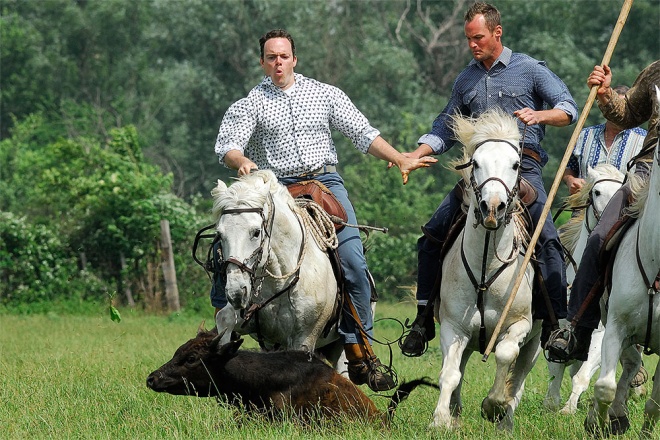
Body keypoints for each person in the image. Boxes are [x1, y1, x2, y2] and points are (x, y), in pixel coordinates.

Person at [211, 29, 437, 391]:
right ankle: (221, 326)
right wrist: (242, 162)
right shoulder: (250, 102)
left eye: (284, 56)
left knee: (354, 260)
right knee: (229, 243)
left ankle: (361, 349)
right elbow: (228, 146)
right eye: (271, 57)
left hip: (325, 185)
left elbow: (363, 134)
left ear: (295, 59)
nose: (278, 62)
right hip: (276, 188)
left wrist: (399, 159)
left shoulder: (324, 93)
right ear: (262, 62)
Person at [399, 2, 578, 357]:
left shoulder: (529, 69)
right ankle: (422, 320)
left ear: (497, 33)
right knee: (433, 233)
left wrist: (539, 115)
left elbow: (568, 108)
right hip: (476, 175)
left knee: (548, 239)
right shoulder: (466, 78)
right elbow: (444, 126)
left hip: (521, 169)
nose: (472, 44)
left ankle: (557, 325)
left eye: (478, 37)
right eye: (468, 39)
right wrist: (415, 153)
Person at [547, 60, 660, 362]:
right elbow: (629, 114)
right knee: (598, 237)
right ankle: (576, 329)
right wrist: (607, 94)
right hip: (647, 173)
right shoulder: (655, 71)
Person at [563, 85, 646, 195]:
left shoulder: (644, 139)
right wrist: (570, 181)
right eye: (613, 106)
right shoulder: (584, 135)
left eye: (622, 107)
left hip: (626, 209)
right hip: (584, 207)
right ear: (603, 107)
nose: (617, 111)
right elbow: (568, 167)